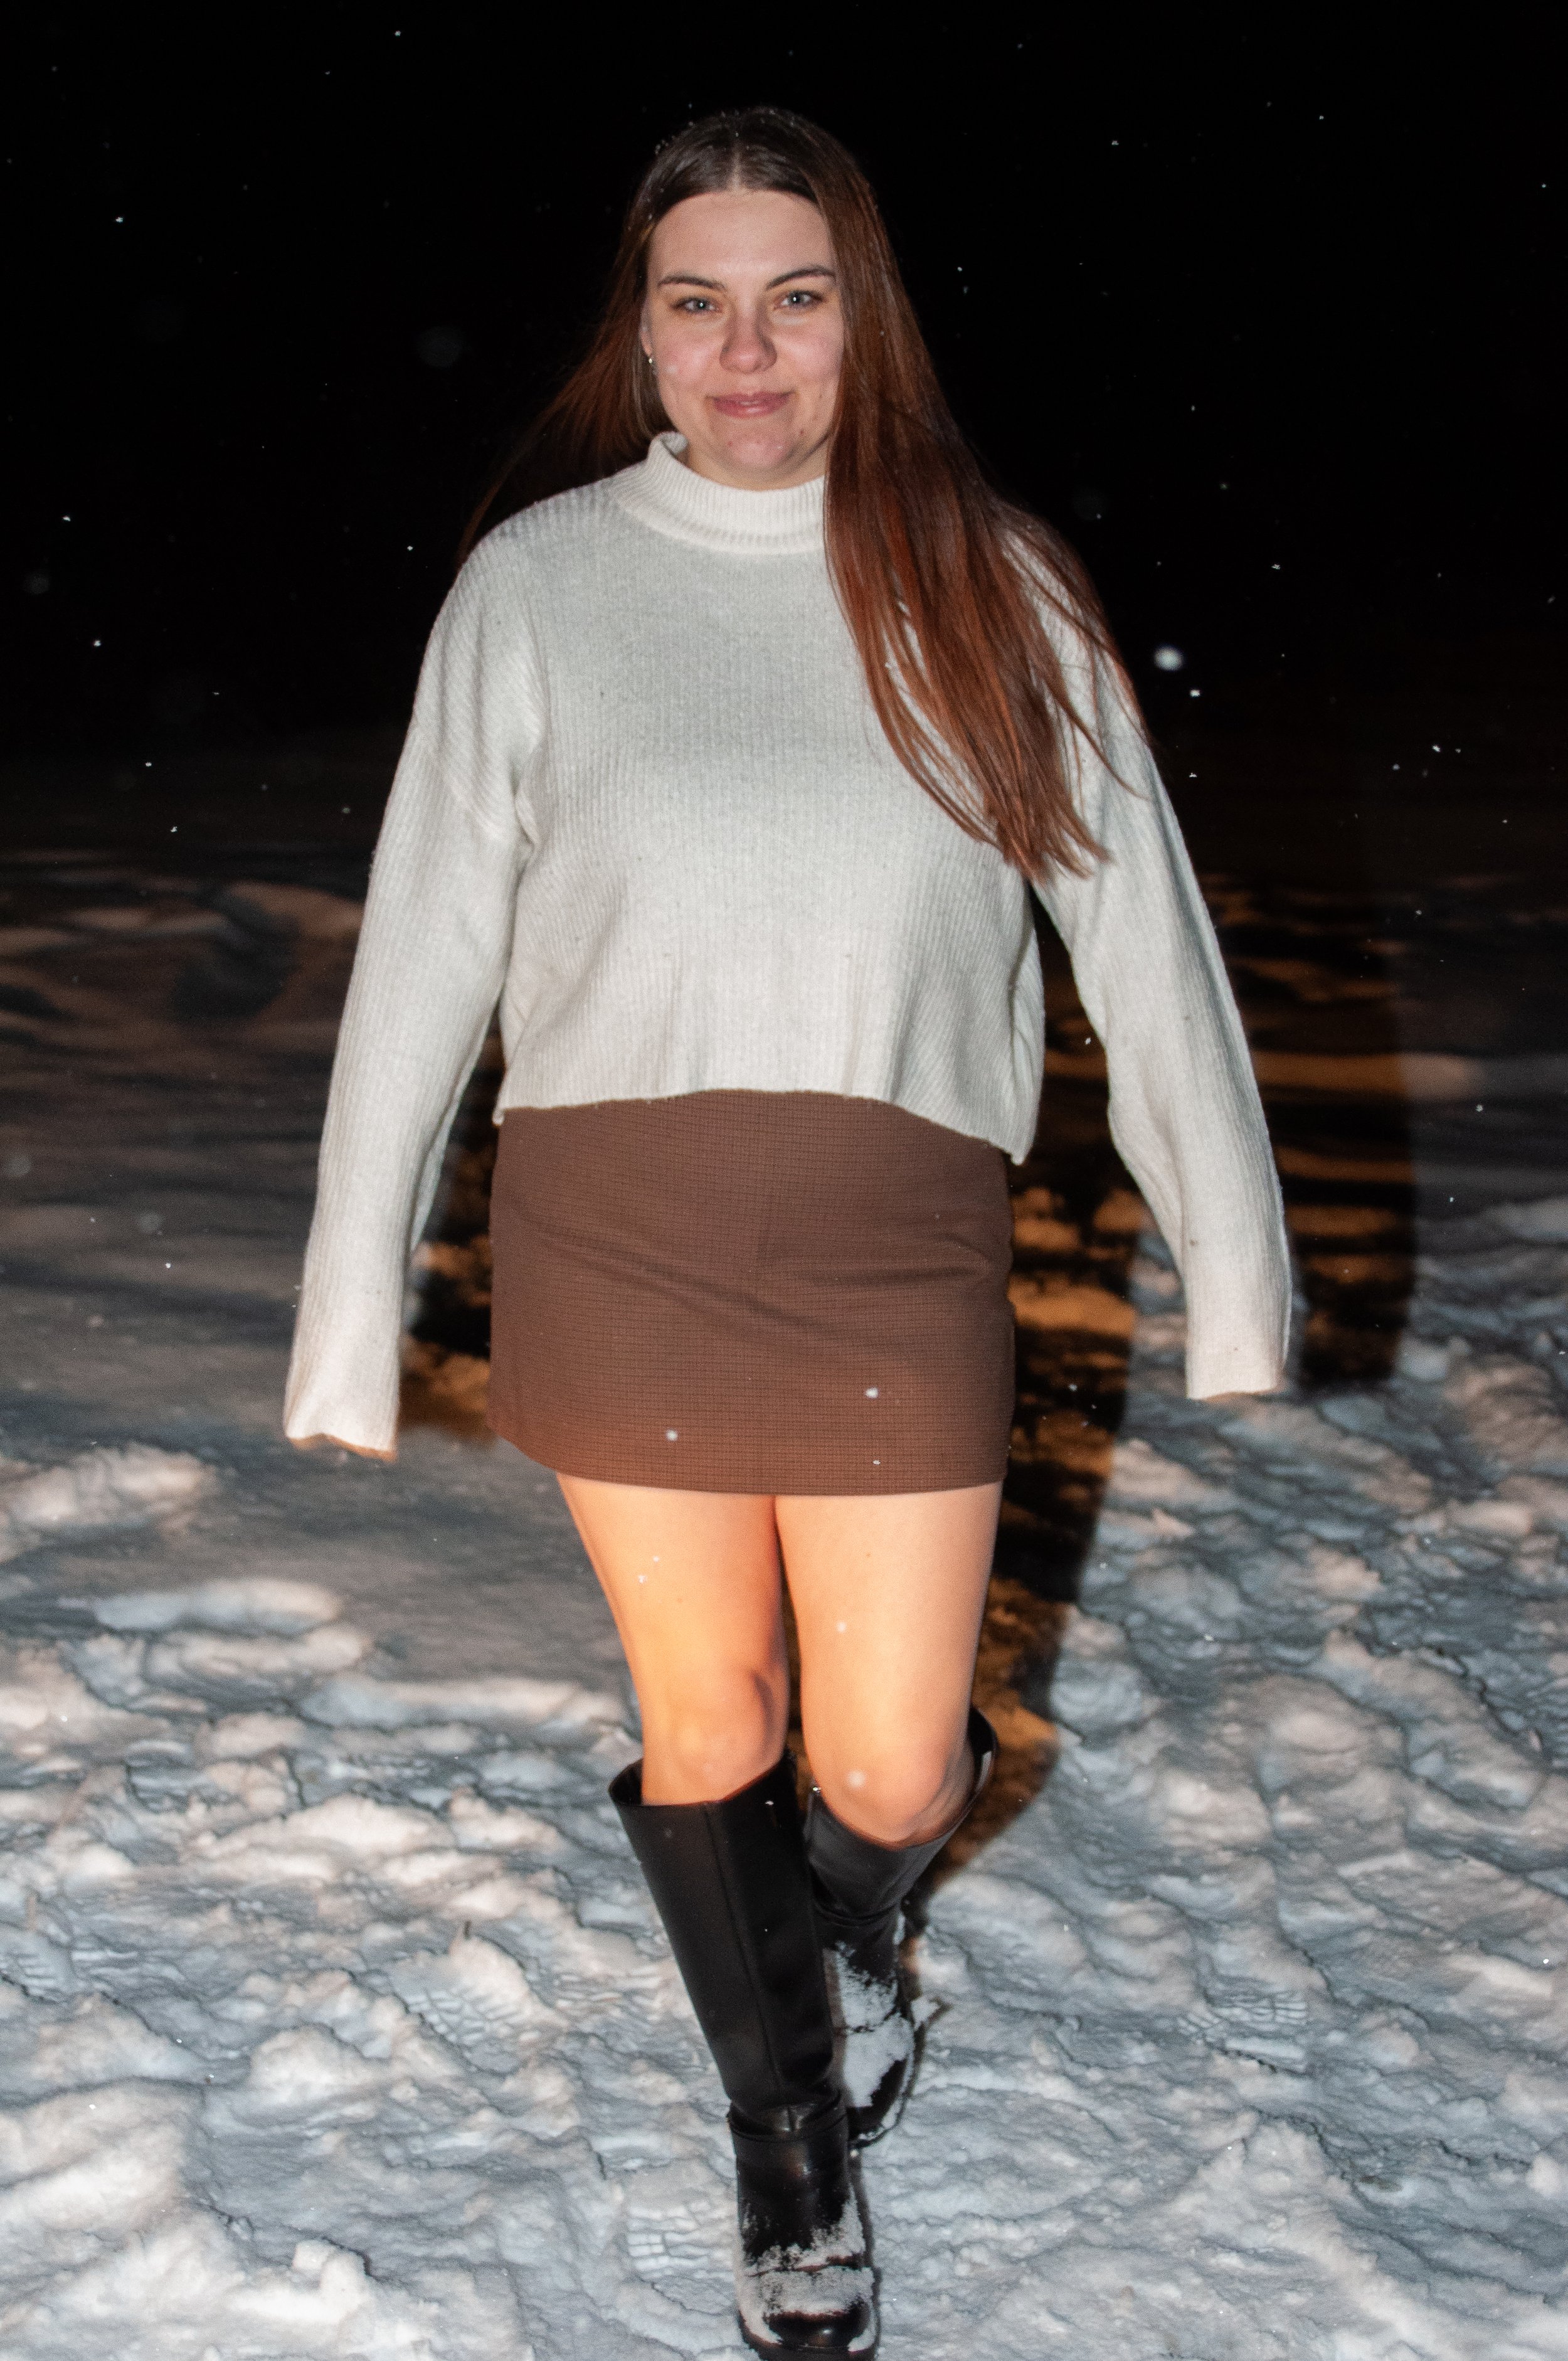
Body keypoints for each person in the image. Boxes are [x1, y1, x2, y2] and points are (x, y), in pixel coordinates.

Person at [284, 106, 1288, 2359]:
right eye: (697, 304)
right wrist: (353, 1297)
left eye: (796, 299)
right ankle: (787, 2141)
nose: (746, 353)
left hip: (890, 1231)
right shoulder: (541, 585)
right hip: (613, 1218)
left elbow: (1144, 944)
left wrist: (1233, 1264)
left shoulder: (990, 579)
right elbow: (426, 952)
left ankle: (819, 1933)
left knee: (890, 1764)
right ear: (639, 338)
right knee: (709, 1709)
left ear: (865, 322)